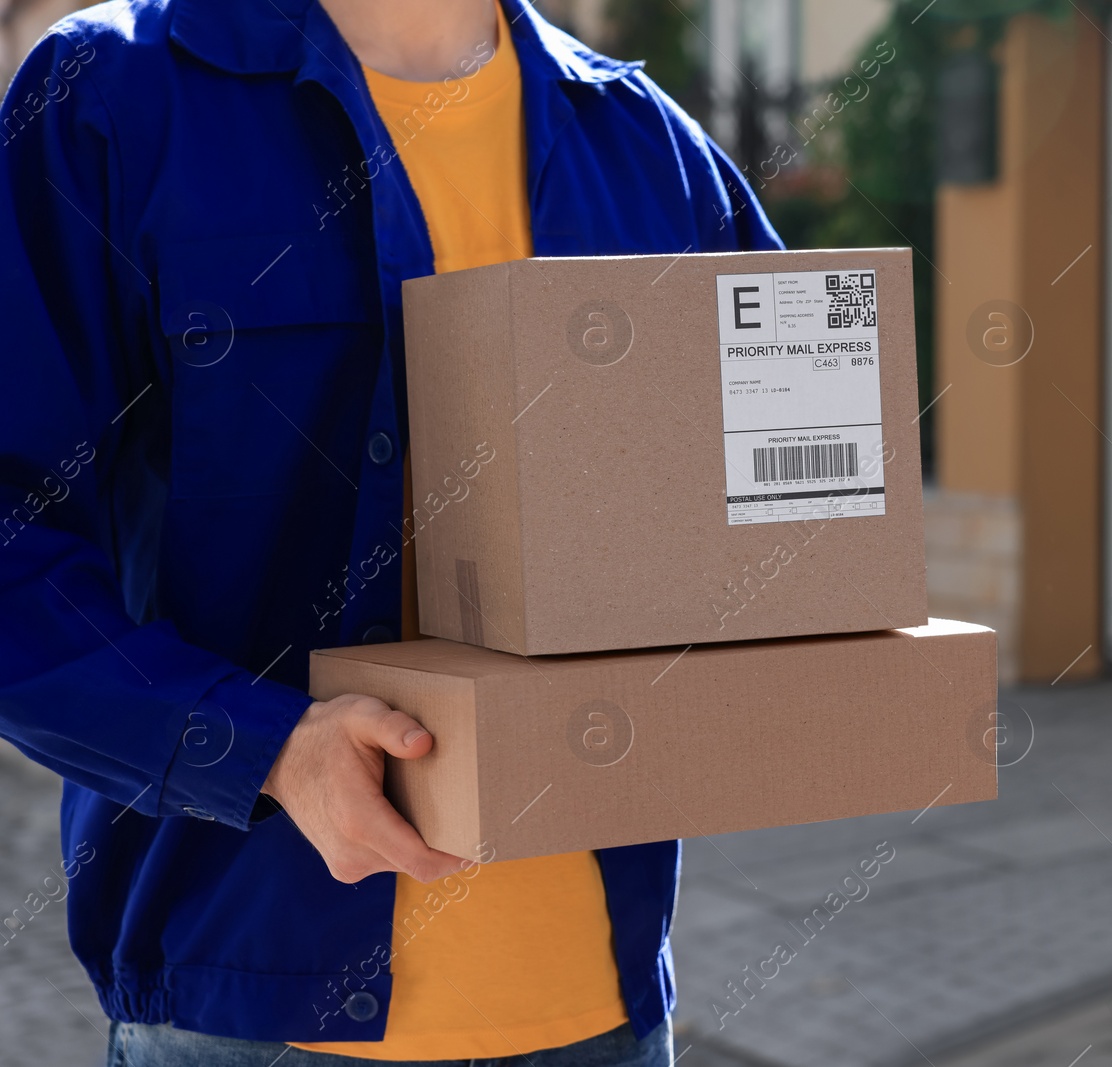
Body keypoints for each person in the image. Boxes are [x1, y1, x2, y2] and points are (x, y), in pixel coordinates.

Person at [0, 0, 779, 1063]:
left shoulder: (642, 143)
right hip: (252, 1019)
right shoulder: (110, 95)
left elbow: (774, 518)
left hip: (597, 1016)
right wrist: (266, 747)